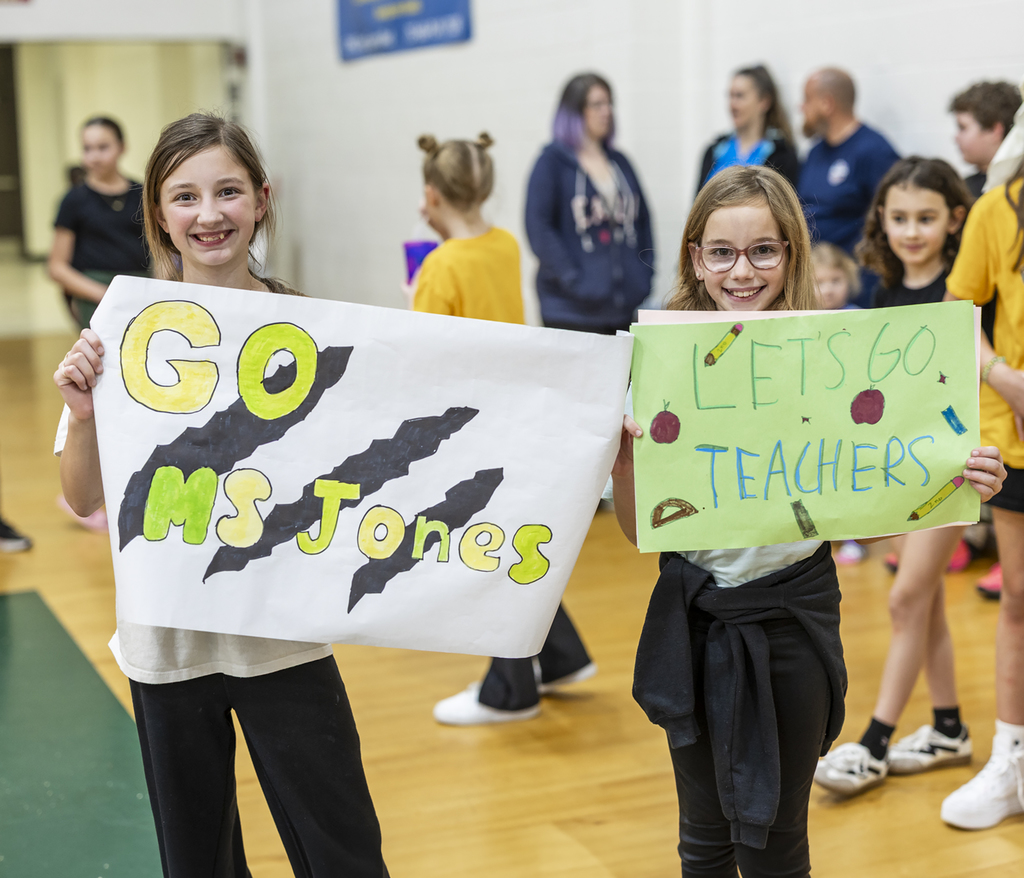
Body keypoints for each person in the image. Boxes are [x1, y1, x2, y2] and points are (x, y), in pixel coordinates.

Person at [610, 164, 1004, 875]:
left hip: (795, 624)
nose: (742, 271)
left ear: (791, 253)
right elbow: (643, 534)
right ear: (695, 258)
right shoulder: (657, 364)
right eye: (722, 252)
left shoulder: (832, 356)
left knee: (776, 844)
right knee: (703, 839)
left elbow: (867, 517)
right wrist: (625, 466)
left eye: (763, 250)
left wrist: (956, 475)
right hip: (693, 626)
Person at [52, 114, 387, 878]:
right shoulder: (124, 329)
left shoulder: (308, 326)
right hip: (167, 647)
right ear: (158, 211)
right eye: (186, 197)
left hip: (284, 637)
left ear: (262, 199)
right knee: (197, 861)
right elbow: (82, 496)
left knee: (343, 852)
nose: (209, 214)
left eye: (228, 191)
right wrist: (84, 416)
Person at [414, 132, 595, 725]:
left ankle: (510, 690)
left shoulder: (439, 266)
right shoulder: (506, 246)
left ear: (431, 195)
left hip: (468, 429)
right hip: (516, 416)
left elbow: (428, 356)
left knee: (486, 550)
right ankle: (561, 654)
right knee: (509, 535)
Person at [814, 157, 980, 797]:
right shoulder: (884, 291)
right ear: (881, 218)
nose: (912, 231)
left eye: (926, 218)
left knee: (905, 599)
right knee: (926, 600)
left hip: (954, 470)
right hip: (904, 469)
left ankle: (875, 742)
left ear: (955, 220)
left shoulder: (964, 290)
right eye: (900, 217)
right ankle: (948, 727)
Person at [941, 152, 1024, 830]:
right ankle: (1012, 761)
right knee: (1019, 598)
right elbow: (958, 314)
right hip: (1014, 434)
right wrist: (1004, 377)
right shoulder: (996, 209)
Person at [48, 117, 149, 534]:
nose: (94, 156)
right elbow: (57, 266)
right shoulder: (74, 201)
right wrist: (104, 293)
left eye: (102, 146)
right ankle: (85, 489)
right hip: (97, 300)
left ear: (121, 147)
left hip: (140, 296)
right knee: (102, 388)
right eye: (87, 148)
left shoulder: (142, 195)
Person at [525, 72, 655, 334]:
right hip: (568, 311)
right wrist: (574, 279)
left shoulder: (620, 163)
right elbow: (538, 228)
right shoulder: (551, 163)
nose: (607, 112)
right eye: (597, 104)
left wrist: (643, 277)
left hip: (621, 309)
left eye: (609, 103)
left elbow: (643, 222)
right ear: (573, 112)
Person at [798, 68, 899, 307]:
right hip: (815, 284)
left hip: (854, 289)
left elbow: (891, 218)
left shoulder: (874, 151)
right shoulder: (814, 152)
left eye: (807, 100)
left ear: (827, 103)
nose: (801, 108)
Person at [697, 64, 800, 193]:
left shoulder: (782, 155)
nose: (732, 104)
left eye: (740, 96)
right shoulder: (714, 150)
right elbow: (697, 201)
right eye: (731, 96)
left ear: (764, 101)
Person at [950, 81, 1021, 199]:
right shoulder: (964, 188)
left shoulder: (1016, 190)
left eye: (963, 128)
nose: (956, 137)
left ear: (994, 130)